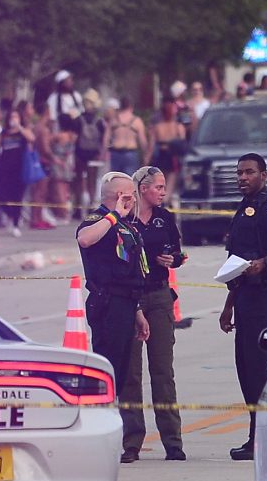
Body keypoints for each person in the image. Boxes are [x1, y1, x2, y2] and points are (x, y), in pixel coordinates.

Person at [217, 153, 267, 460]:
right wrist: (228, 307)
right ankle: (257, 436)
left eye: (249, 172)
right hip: (244, 297)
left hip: (264, 295)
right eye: (239, 173)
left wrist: (263, 264)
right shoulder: (241, 211)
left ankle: (266, 438)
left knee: (258, 366)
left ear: (263, 175)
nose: (243, 177)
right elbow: (237, 264)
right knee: (246, 368)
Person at [76, 170, 156, 463]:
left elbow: (131, 269)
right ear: (115, 197)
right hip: (107, 305)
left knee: (120, 377)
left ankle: (115, 438)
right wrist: (112, 215)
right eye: (128, 194)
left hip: (126, 305)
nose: (133, 199)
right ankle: (96, 438)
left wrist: (137, 312)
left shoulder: (127, 226)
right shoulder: (99, 221)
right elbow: (85, 240)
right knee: (106, 375)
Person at [131, 166, 189, 459]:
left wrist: (173, 259)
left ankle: (173, 442)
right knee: (130, 373)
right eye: (159, 188)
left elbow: (179, 253)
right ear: (143, 188)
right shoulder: (125, 219)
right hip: (130, 297)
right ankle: (131, 443)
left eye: (164, 188)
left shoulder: (164, 218)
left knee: (163, 371)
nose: (163, 193)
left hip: (159, 295)